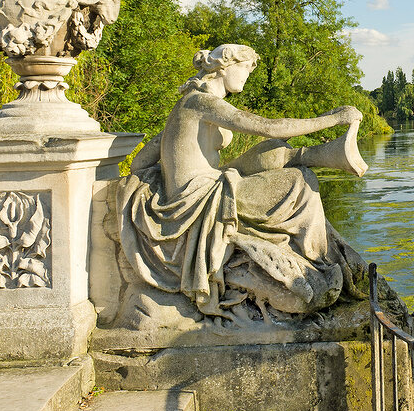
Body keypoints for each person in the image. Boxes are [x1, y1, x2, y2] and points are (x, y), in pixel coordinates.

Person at [116, 44, 367, 326]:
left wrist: (165, 179)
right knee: (300, 181)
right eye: (245, 68)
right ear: (225, 65)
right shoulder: (201, 102)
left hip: (203, 186)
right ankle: (315, 259)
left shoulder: (188, 104)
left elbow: (139, 163)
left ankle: (313, 156)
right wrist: (333, 119)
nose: (247, 76)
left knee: (273, 149)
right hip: (200, 197)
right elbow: (268, 126)